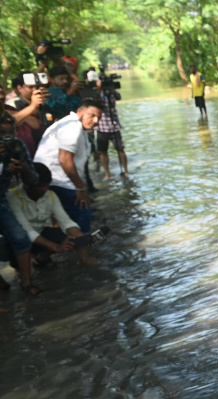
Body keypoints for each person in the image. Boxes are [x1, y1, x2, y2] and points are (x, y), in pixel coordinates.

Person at [33, 99, 102, 237]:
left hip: (54, 179)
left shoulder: (74, 125)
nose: (95, 120)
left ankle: (47, 254)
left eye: (98, 118)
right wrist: (80, 187)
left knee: (63, 219)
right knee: (83, 213)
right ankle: (84, 256)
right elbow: (64, 159)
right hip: (58, 180)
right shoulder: (72, 128)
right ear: (80, 111)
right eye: (92, 115)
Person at [7, 163, 94, 265]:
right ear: (27, 184)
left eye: (47, 185)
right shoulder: (12, 196)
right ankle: (19, 269)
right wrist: (56, 247)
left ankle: (41, 258)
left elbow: (66, 222)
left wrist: (80, 238)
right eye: (40, 186)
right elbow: (27, 231)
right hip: (17, 240)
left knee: (70, 237)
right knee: (17, 242)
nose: (44, 189)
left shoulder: (51, 196)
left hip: (40, 234)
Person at [0, 112, 39, 294]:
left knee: (20, 238)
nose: (6, 139)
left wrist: (22, 167)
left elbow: (33, 179)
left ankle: (26, 283)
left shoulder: (16, 146)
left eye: (10, 133)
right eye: (2, 134)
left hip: (2, 198)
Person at [5, 74, 51, 156]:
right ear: (20, 88)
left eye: (36, 87)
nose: (34, 90)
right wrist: (33, 106)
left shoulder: (45, 104)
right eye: (30, 87)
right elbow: (12, 121)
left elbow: (37, 124)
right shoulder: (12, 104)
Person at [94, 83, 129, 179]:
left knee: (120, 150)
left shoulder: (112, 94)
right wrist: (98, 92)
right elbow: (97, 103)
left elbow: (118, 97)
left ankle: (126, 170)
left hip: (115, 127)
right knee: (103, 152)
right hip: (101, 127)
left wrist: (112, 90)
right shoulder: (97, 94)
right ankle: (107, 173)